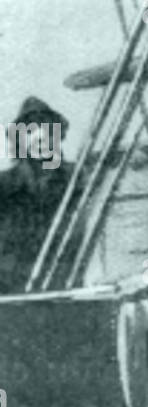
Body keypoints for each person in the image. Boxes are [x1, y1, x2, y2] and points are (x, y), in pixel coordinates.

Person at [0, 98, 75, 294]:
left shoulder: (77, 180)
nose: (41, 136)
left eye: (48, 128)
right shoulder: (5, 186)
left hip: (66, 284)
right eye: (31, 131)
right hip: (12, 289)